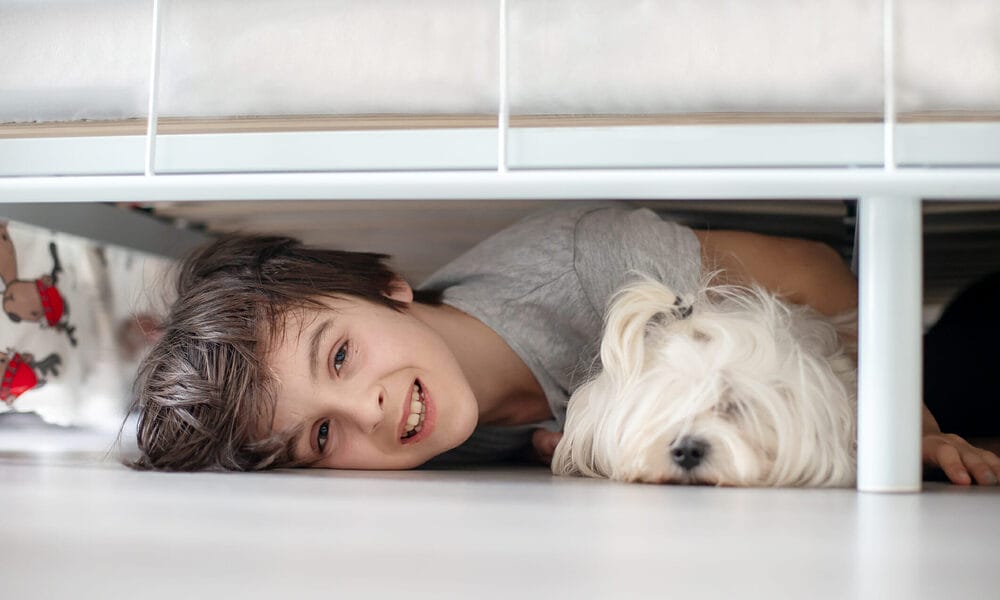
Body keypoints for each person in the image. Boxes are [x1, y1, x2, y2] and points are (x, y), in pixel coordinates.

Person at [128, 202, 1000, 485]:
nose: (369, 410)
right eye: (323, 436)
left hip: (864, 353)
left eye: (340, 356)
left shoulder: (590, 264)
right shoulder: (421, 444)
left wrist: (907, 426)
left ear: (390, 287)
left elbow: (816, 272)